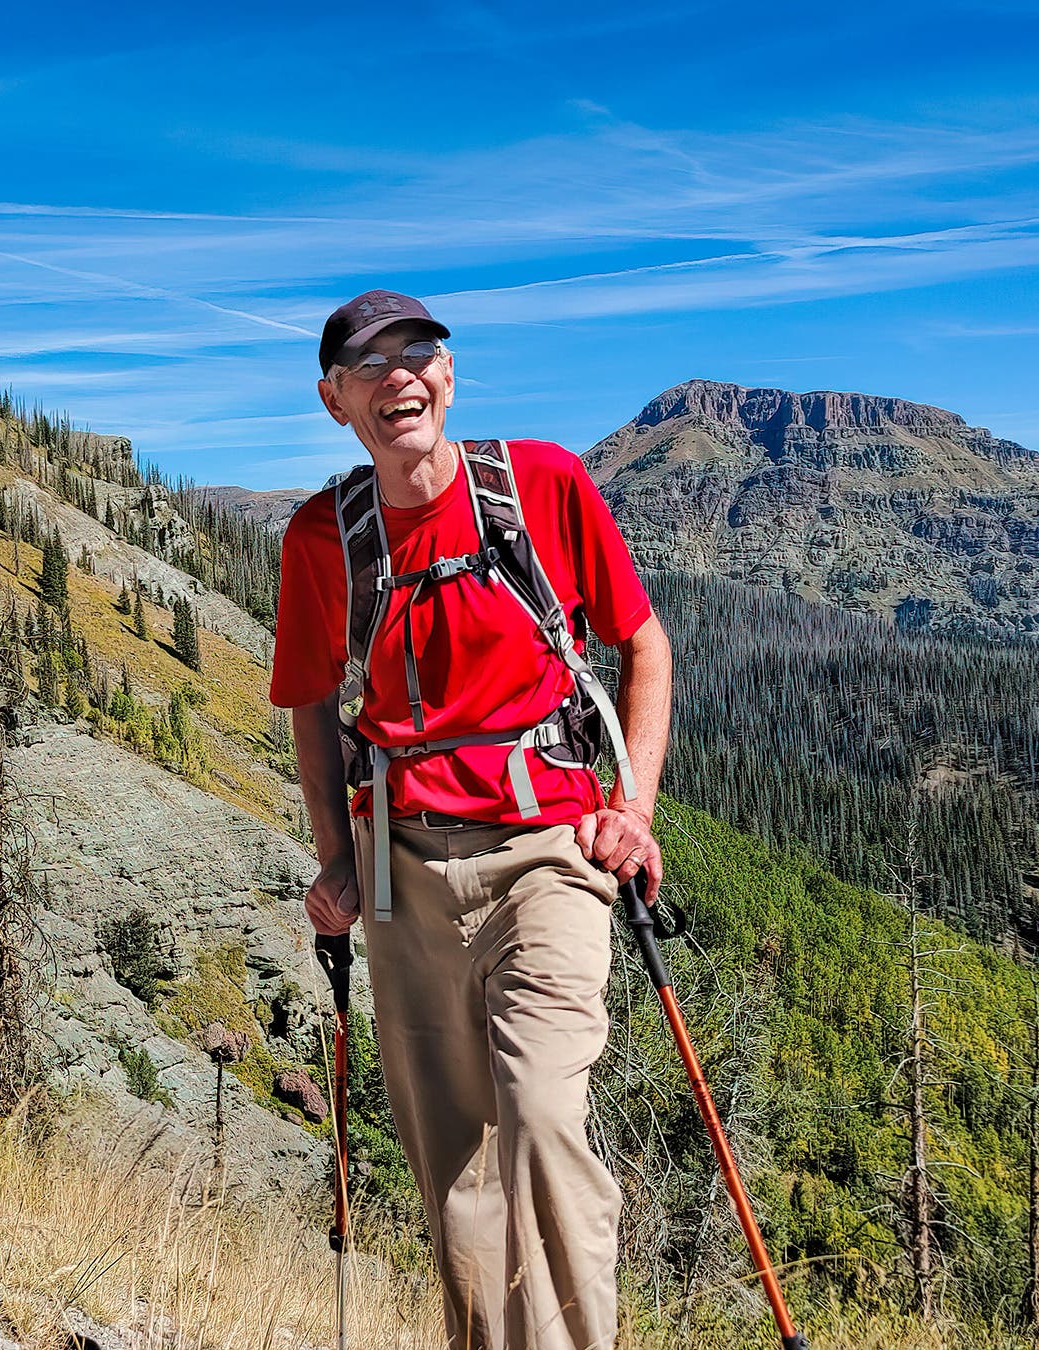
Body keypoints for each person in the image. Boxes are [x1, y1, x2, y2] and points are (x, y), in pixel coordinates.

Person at [271, 290, 673, 1350]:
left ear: (449, 376)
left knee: (540, 1117)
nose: (400, 377)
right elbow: (311, 705)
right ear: (335, 400)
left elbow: (643, 644)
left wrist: (633, 809)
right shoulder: (322, 538)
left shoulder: (542, 484)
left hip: (550, 853)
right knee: (453, 1165)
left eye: (419, 354)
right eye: (371, 365)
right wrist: (335, 858)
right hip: (401, 869)